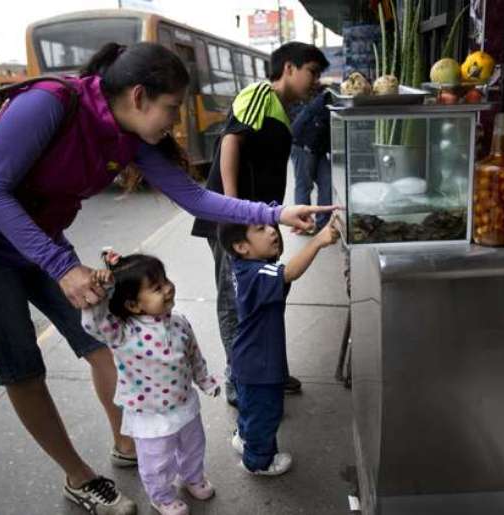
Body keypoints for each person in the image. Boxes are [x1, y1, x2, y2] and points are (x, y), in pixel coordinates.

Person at [0, 41, 333, 514]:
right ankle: (79, 477)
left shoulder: (128, 136)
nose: (174, 120)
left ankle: (129, 443)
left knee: (103, 339)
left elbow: (196, 199)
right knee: (23, 367)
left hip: (40, 240)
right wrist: (62, 266)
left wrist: (278, 211)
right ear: (140, 95)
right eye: (171, 108)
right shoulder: (47, 104)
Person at [191, 42, 330, 407]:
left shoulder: (285, 108)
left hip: (260, 222)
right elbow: (230, 142)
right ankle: (240, 379)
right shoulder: (258, 94)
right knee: (235, 301)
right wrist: (234, 209)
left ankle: (269, 372)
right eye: (312, 71)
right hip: (234, 223)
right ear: (289, 67)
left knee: (267, 297)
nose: (315, 80)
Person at [82, 249, 218, 515]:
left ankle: (192, 477)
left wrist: (204, 380)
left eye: (166, 281)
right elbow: (94, 324)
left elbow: (194, 355)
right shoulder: (122, 333)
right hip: (149, 413)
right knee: (156, 460)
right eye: (157, 288)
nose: (168, 289)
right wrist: (99, 294)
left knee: (193, 445)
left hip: (184, 403)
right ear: (133, 305)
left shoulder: (179, 323)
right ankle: (162, 496)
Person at [217, 217, 339, 475]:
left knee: (251, 407)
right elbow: (289, 272)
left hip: (247, 359)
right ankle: (258, 462)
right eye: (261, 229)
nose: (272, 231)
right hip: (260, 364)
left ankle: (244, 437)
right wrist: (318, 240)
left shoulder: (245, 267)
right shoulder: (257, 272)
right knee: (266, 412)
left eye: (270, 226)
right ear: (241, 247)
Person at [290, 87, 333, 232]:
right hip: (302, 146)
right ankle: (302, 224)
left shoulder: (326, 102)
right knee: (304, 185)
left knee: (327, 181)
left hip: (317, 148)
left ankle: (323, 224)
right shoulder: (327, 103)